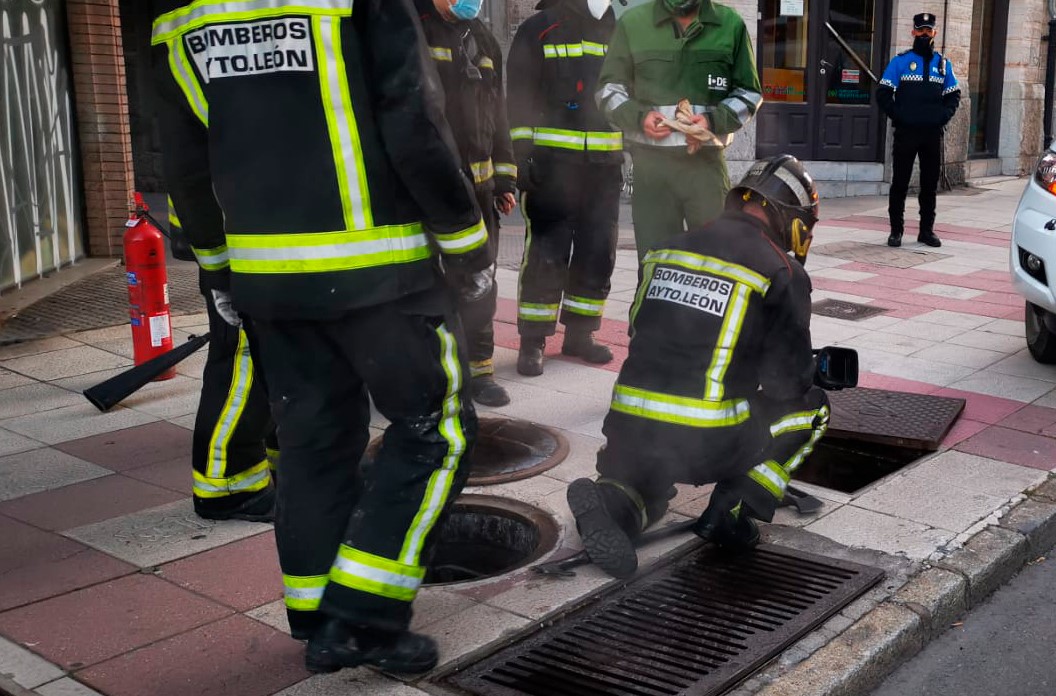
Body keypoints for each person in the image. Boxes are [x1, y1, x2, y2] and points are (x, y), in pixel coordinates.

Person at [150, 0, 489, 675]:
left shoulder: (179, 19)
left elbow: (185, 161)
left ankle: (317, 621)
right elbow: (413, 119)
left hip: (269, 281)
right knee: (436, 430)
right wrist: (464, 239)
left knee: (311, 446)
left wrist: (217, 267)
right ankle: (365, 611)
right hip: (382, 274)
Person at [566, 155, 830, 579]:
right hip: (706, 442)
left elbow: (640, 328)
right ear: (793, 219)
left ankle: (615, 502)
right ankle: (733, 510)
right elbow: (787, 383)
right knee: (813, 407)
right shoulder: (781, 269)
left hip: (629, 427)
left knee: (646, 490)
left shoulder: (668, 248)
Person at [507, 0, 623, 376]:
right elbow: (519, 100)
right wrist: (521, 158)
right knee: (547, 252)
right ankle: (533, 340)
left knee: (597, 250)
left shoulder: (617, 31)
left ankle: (581, 333)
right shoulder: (538, 28)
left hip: (604, 168)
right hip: (552, 167)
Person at [596, 0, 762, 260]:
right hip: (652, 172)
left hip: (705, 170)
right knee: (656, 265)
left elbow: (749, 92)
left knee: (715, 262)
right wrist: (640, 118)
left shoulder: (730, 25)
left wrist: (712, 120)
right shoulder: (633, 23)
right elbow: (608, 90)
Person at [417, 0, 518, 407]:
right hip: (425, 192)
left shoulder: (482, 38)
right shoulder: (410, 29)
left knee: (479, 280)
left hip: (478, 193)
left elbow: (498, 111)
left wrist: (506, 177)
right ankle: (428, 372)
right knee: (425, 285)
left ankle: (480, 370)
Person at [167, 199, 277, 522]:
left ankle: (271, 464)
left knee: (272, 360)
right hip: (242, 243)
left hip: (252, 238)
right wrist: (216, 265)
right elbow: (189, 170)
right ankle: (228, 487)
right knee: (244, 361)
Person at [877, 12, 961, 248]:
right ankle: (896, 231)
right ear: (913, 32)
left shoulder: (943, 65)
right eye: (920, 30)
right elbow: (883, 93)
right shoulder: (901, 62)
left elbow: (953, 95)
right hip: (906, 133)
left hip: (932, 134)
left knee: (929, 185)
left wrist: (942, 117)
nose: (924, 34)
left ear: (935, 33)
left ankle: (926, 231)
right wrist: (900, 116)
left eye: (928, 30)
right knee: (900, 183)